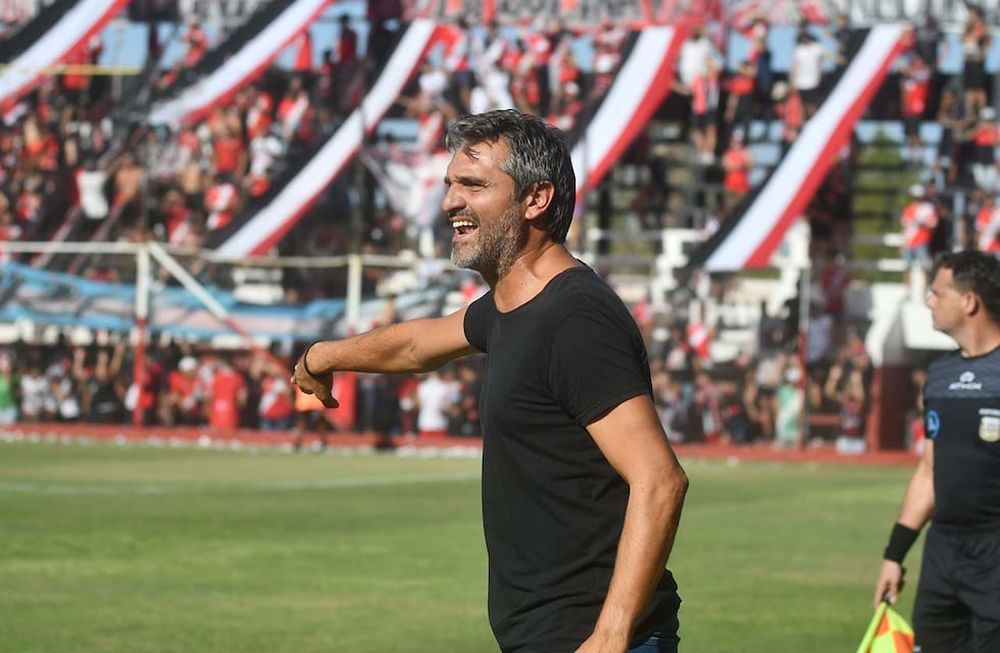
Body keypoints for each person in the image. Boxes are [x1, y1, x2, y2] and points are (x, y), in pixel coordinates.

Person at [292, 110, 688, 652]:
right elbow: (415, 345)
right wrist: (323, 356)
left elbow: (660, 480)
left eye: (473, 185)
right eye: (450, 184)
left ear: (535, 199)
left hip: (591, 640)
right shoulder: (509, 307)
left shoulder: (574, 319)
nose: (450, 201)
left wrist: (611, 634)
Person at [872, 250, 1000, 652]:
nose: (928, 301)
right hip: (943, 554)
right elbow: (929, 472)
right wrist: (895, 555)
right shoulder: (940, 376)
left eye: (936, 292)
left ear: (969, 302)